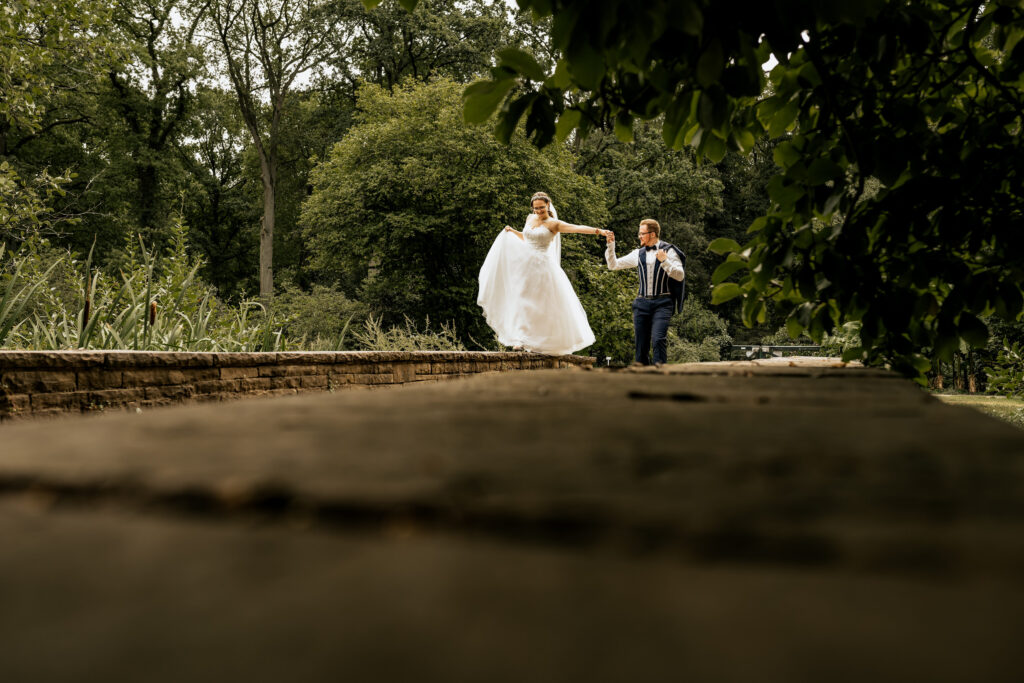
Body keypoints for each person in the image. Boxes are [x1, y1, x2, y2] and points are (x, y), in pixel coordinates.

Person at [477, 191, 612, 355]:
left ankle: (539, 341)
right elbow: (527, 240)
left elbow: (577, 228)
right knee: (522, 301)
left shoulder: (553, 224)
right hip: (525, 266)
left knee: (540, 305)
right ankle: (520, 339)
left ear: (548, 205)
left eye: (541, 207)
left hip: (543, 268)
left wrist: (600, 231)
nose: (539, 211)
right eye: (536, 208)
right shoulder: (530, 218)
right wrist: (513, 232)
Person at [605, 219, 686, 365]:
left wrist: (665, 261)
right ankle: (642, 378)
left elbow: (680, 275)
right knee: (641, 347)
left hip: (663, 303)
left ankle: (659, 376)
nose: (639, 236)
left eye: (642, 234)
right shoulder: (638, 253)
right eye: (639, 233)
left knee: (658, 339)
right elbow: (613, 265)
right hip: (641, 304)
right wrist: (611, 245)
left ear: (652, 234)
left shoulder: (669, 251)